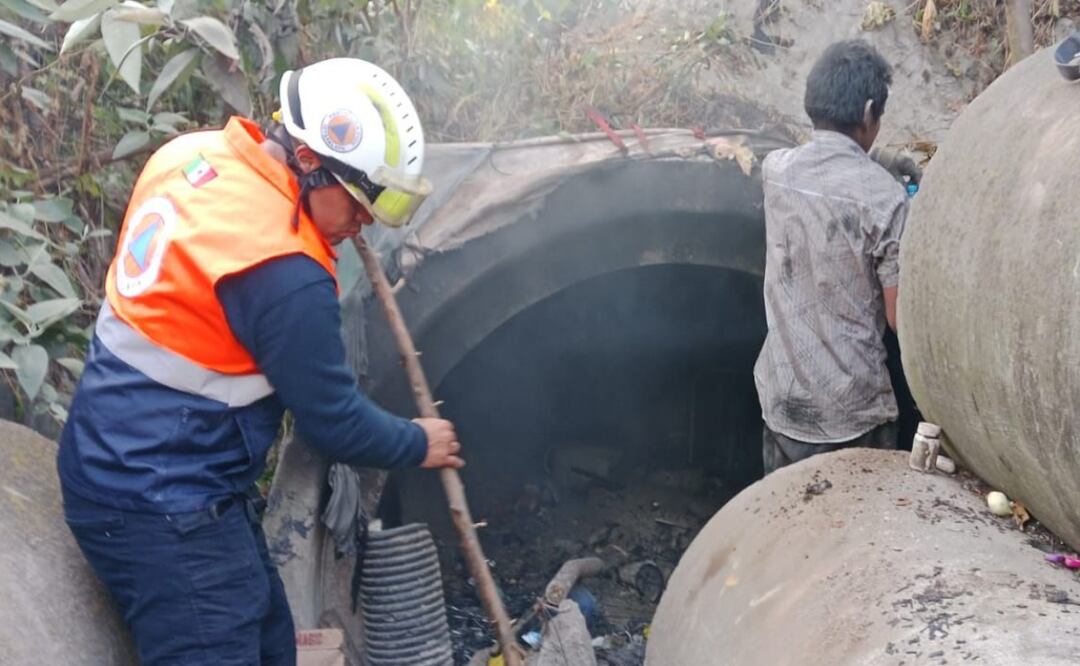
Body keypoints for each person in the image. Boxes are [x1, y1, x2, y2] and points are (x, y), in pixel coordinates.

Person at [56, 58, 463, 665]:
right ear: (308, 159)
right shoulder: (285, 270)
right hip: (163, 503)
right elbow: (334, 422)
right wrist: (418, 442)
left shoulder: (190, 156)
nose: (362, 225)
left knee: (272, 642)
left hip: (129, 459)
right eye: (357, 203)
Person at [754, 40, 922, 475]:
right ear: (868, 112)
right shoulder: (886, 200)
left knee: (782, 514)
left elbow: (821, 162)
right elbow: (898, 318)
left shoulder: (776, 171)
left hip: (784, 401)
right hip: (851, 415)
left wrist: (873, 159)